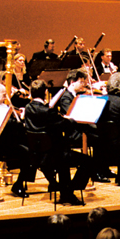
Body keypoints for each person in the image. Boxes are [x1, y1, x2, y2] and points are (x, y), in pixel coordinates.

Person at [23, 77, 92, 205]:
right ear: (45, 92)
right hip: (54, 155)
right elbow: (65, 125)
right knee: (88, 161)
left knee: (64, 154)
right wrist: (71, 119)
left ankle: (65, 190)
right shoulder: (48, 112)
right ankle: (68, 191)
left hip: (37, 154)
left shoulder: (28, 108)